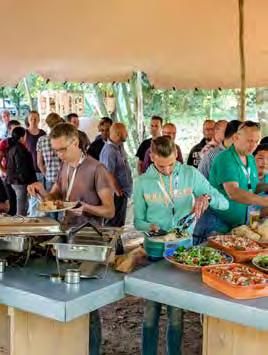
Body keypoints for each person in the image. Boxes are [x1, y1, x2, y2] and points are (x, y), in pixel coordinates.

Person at [134, 136, 228, 355]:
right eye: (160, 165)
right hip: (154, 253)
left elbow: (223, 202)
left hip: (181, 254)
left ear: (176, 155)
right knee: (150, 312)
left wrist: (207, 198)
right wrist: (150, 226)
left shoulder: (190, 175)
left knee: (176, 313)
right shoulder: (142, 182)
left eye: (170, 164)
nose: (167, 170)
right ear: (151, 157)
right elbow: (137, 221)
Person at [28, 122, 114, 355]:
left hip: (89, 239)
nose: (59, 155)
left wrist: (86, 207)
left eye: (62, 149)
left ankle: (93, 349)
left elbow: (109, 210)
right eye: (55, 150)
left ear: (75, 142)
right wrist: (39, 190)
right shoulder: (64, 166)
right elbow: (55, 196)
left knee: (87, 303)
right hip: (67, 236)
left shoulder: (97, 169)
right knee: (66, 296)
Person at [194, 121, 268, 241]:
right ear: (236, 137)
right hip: (215, 226)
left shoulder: (249, 157)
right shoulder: (225, 158)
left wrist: (266, 187)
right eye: (249, 141)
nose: (253, 145)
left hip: (237, 226)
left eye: (256, 141)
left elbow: (252, 186)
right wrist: (264, 201)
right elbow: (233, 192)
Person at [100, 122, 132, 227]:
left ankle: (117, 244)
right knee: (113, 225)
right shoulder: (109, 150)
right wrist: (117, 190)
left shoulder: (119, 146)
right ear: (118, 134)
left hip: (122, 192)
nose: (127, 134)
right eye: (125, 132)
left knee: (119, 224)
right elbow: (107, 173)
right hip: (115, 194)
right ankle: (112, 243)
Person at [6, 127, 36, 216]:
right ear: (22, 137)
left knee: (21, 207)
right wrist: (29, 182)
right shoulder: (20, 149)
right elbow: (22, 168)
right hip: (20, 182)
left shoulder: (12, 147)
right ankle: (20, 227)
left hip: (14, 181)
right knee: (21, 210)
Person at [26, 111, 46, 216]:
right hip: (29, 169)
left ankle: (38, 215)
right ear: (28, 120)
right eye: (31, 118)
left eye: (35, 118)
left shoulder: (42, 133)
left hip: (40, 168)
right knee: (32, 194)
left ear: (38, 120)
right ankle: (32, 215)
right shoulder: (25, 133)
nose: (33, 120)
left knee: (40, 194)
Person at [0, 120, 21, 215]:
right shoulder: (4, 143)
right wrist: (4, 171)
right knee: (11, 201)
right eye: (15, 129)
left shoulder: (22, 142)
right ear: (9, 130)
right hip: (8, 177)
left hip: (20, 178)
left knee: (20, 202)